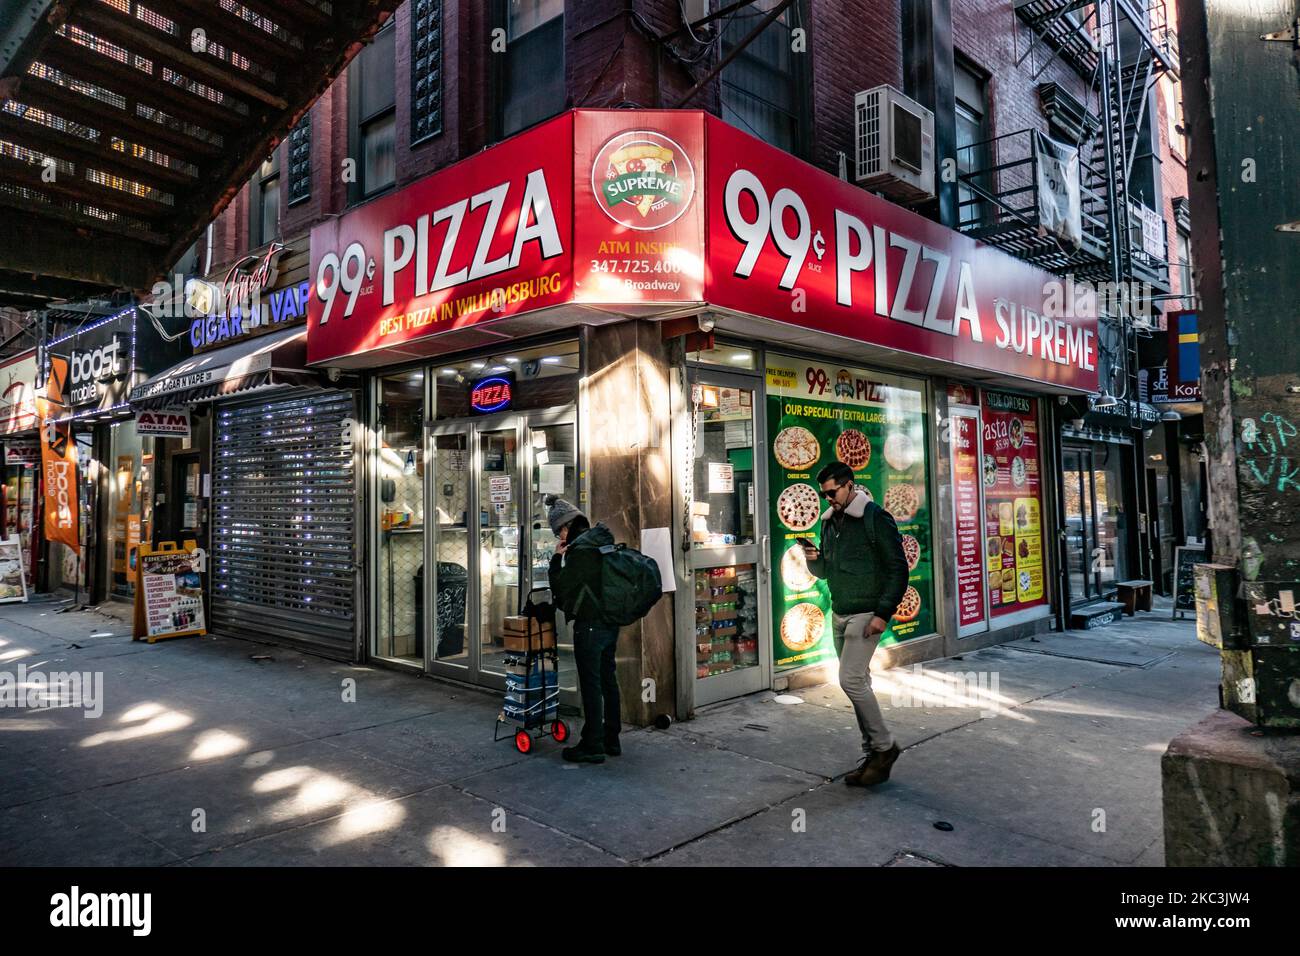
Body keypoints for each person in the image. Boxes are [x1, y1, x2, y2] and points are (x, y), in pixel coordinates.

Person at [803, 461, 909, 787]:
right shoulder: (829, 522)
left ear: (850, 485)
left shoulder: (876, 518)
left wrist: (883, 614)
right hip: (839, 612)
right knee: (859, 682)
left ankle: (885, 746)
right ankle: (872, 755)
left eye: (832, 492)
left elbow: (898, 569)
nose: (828, 500)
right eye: (824, 495)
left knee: (849, 680)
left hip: (865, 615)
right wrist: (814, 560)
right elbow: (826, 572)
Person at [545, 495, 621, 764]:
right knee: (608, 678)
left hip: (590, 625)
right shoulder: (601, 540)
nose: (560, 535)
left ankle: (592, 744)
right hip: (610, 621)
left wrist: (556, 559)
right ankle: (612, 738)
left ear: (566, 527)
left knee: (591, 684)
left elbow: (561, 589)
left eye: (559, 531)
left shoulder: (580, 551)